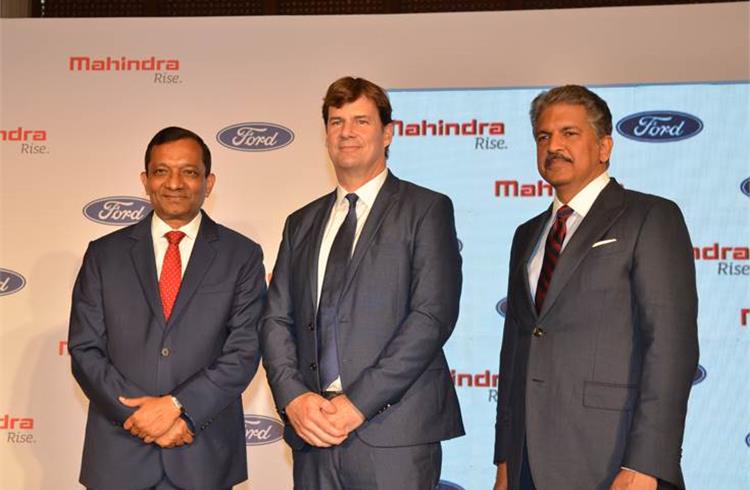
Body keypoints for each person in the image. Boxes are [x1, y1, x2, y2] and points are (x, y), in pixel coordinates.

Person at [260, 76, 464, 489]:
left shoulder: (427, 209)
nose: (347, 132)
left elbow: (431, 317)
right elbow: (275, 319)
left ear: (388, 132)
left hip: (395, 435)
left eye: (361, 121)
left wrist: (357, 404)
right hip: (313, 432)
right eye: (336, 122)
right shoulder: (300, 223)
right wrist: (294, 399)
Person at [493, 85, 699, 490]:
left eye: (570, 133)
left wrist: (648, 463)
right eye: (543, 136)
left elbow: (671, 347)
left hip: (612, 459)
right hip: (527, 464)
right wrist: (504, 460)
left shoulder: (650, 217)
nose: (554, 146)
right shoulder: (527, 234)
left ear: (604, 146)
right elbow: (514, 353)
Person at [68, 126, 266, 490]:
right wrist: (142, 416)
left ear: (209, 182)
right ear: (145, 180)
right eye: (162, 171)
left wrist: (179, 408)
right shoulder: (103, 255)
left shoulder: (242, 256)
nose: (174, 183)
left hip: (203, 454)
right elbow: (85, 350)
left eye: (189, 172)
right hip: (119, 458)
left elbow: (244, 351)